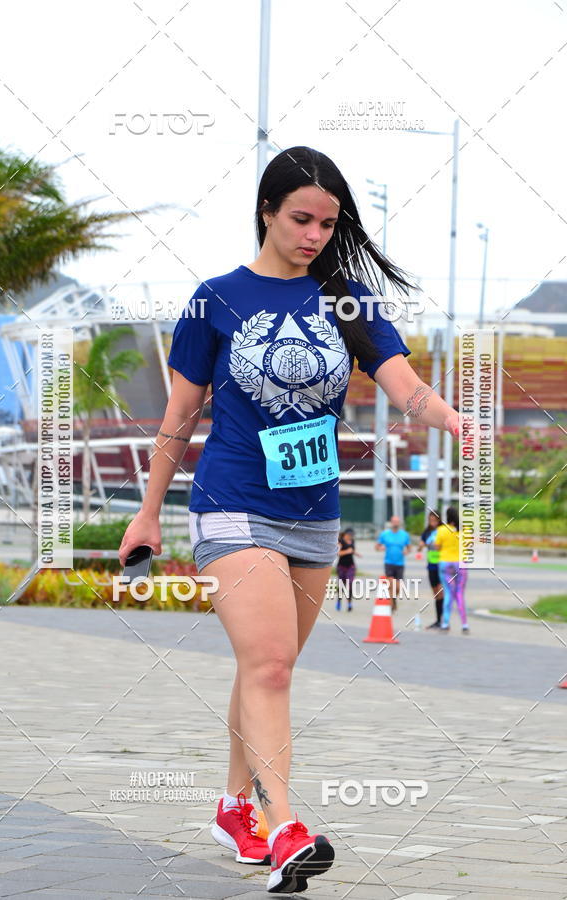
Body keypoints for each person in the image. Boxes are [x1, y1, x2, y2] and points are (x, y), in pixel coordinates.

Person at [118, 145, 459, 893]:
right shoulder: (216, 300)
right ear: (267, 212)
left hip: (312, 514)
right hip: (232, 503)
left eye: (328, 224)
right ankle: (283, 831)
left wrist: (453, 420)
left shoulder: (348, 305)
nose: (314, 234)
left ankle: (235, 808)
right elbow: (179, 420)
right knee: (271, 666)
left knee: (265, 667)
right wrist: (148, 513)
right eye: (301, 218)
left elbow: (407, 390)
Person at [430, 506, 469, 633]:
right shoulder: (464, 529)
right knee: (459, 595)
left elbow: (436, 547)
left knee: (448, 593)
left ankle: (445, 623)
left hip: (445, 563)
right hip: (460, 564)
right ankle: (464, 624)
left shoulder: (442, 530)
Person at [374, 515, 411, 610]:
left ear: (399, 523)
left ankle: (393, 599)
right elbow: (376, 547)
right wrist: (380, 548)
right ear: (391, 522)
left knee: (398, 587)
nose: (395, 523)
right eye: (394, 521)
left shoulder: (404, 535)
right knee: (390, 583)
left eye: (397, 522)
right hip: (388, 563)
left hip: (400, 564)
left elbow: (409, 547)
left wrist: (406, 551)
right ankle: (390, 606)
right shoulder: (385, 534)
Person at [417, 510, 443, 628]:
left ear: (438, 520)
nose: (432, 522)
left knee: (440, 592)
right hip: (431, 565)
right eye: (430, 520)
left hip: (442, 564)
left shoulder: (442, 531)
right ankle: (438, 620)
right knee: (435, 593)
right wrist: (421, 546)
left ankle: (442, 620)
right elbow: (420, 545)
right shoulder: (427, 532)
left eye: (434, 520)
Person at [336, 526, 359, 612]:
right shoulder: (340, 541)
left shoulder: (352, 541)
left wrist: (356, 553)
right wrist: (347, 551)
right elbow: (338, 553)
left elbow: (352, 550)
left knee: (350, 584)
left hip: (351, 566)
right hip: (341, 566)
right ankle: (339, 601)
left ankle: (349, 603)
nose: (350, 536)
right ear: (345, 534)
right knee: (341, 585)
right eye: (349, 534)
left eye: (352, 535)